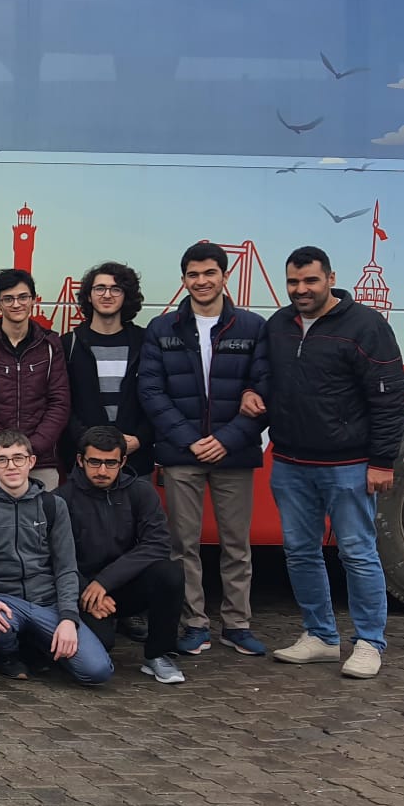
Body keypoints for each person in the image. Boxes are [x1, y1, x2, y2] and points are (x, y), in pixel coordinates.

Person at [260, 246, 404, 680]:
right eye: (293, 282)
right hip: (290, 462)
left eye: (310, 280)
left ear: (330, 278)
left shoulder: (366, 325)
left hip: (348, 464)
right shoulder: (278, 325)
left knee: (357, 553)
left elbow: (389, 397)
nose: (301, 290)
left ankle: (369, 642)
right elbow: (264, 376)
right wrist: (254, 393)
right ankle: (321, 636)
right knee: (299, 552)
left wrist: (382, 461)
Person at [136, 240, 270, 658]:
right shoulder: (162, 328)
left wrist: (227, 440)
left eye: (210, 273)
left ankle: (237, 624)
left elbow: (266, 389)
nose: (201, 281)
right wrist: (189, 439)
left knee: (236, 545)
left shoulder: (253, 327)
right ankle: (194, 624)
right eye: (193, 274)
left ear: (225, 276)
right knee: (183, 545)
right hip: (182, 455)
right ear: (183, 280)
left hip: (234, 454)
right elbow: (151, 391)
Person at [0, 430, 112, 685]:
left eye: (18, 458)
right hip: (3, 601)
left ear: (31, 461)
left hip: (48, 603)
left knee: (96, 671)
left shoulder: (53, 505)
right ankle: (7, 654)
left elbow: (66, 567)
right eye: (2, 460)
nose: (11, 466)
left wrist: (68, 618)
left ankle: (39, 645)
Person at [58, 425, 185, 685]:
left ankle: (158, 654)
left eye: (111, 463)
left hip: (122, 584)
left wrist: (105, 582)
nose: (102, 471)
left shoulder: (141, 492)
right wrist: (86, 590)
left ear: (123, 461)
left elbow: (157, 544)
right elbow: (55, 558)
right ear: (80, 460)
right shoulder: (60, 500)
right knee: (103, 644)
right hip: (81, 591)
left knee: (170, 573)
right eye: (94, 462)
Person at [0, 269, 69, 492]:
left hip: (40, 460)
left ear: (34, 300)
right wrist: (4, 448)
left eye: (23, 297)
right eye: (8, 299)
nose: (16, 304)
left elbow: (59, 402)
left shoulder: (50, 345)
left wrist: (31, 449)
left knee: (44, 515)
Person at [61, 261, 154, 475]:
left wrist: (141, 438)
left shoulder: (145, 342)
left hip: (135, 462)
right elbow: (62, 402)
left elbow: (158, 396)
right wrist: (87, 441)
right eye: (100, 288)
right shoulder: (69, 344)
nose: (107, 295)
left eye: (116, 289)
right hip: (85, 462)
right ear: (89, 295)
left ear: (126, 295)